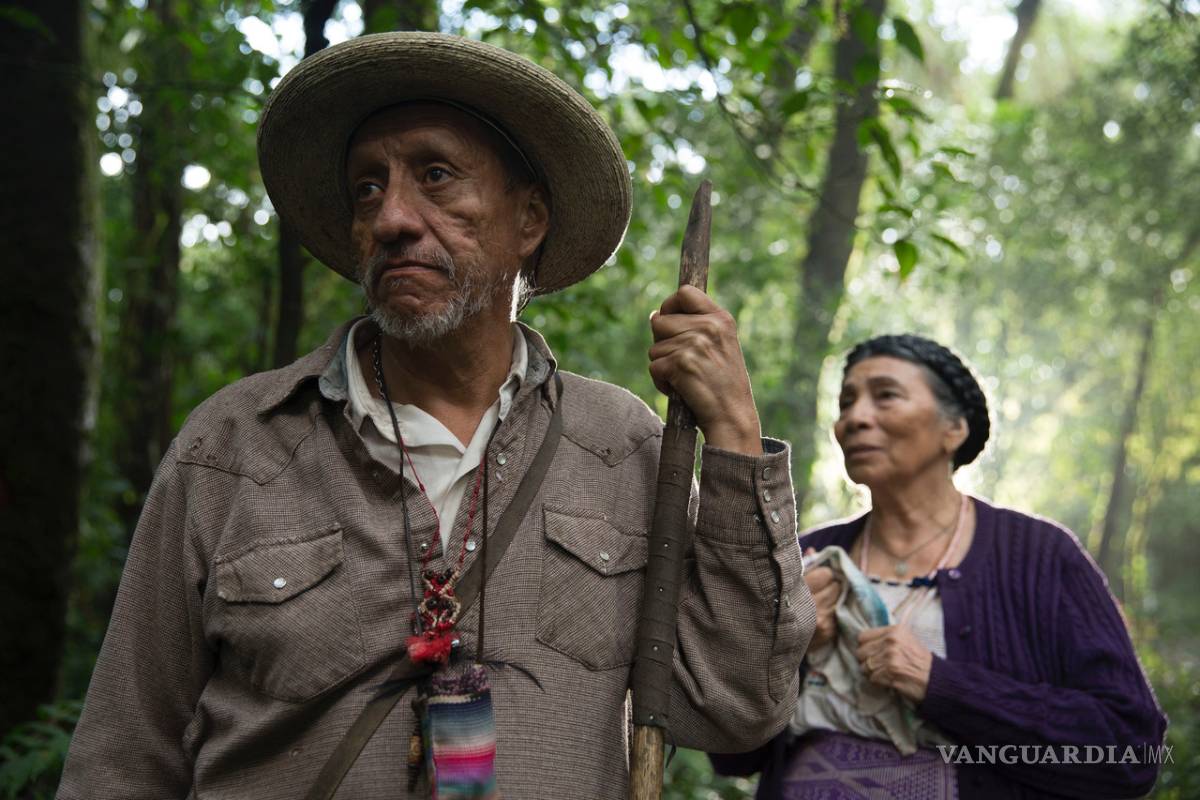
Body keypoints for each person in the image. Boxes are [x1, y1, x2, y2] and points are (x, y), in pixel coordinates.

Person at [57, 32, 816, 800]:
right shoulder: (233, 449)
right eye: (366, 189)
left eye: (436, 176)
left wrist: (734, 440)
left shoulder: (621, 449)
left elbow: (737, 707)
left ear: (529, 220)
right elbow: (122, 758)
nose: (391, 217)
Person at [710, 334, 1167, 799]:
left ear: (954, 429)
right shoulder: (805, 557)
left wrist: (939, 683)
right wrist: (793, 652)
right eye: (846, 402)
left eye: (885, 396)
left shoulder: (1041, 556)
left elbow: (1129, 750)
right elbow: (731, 755)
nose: (855, 418)